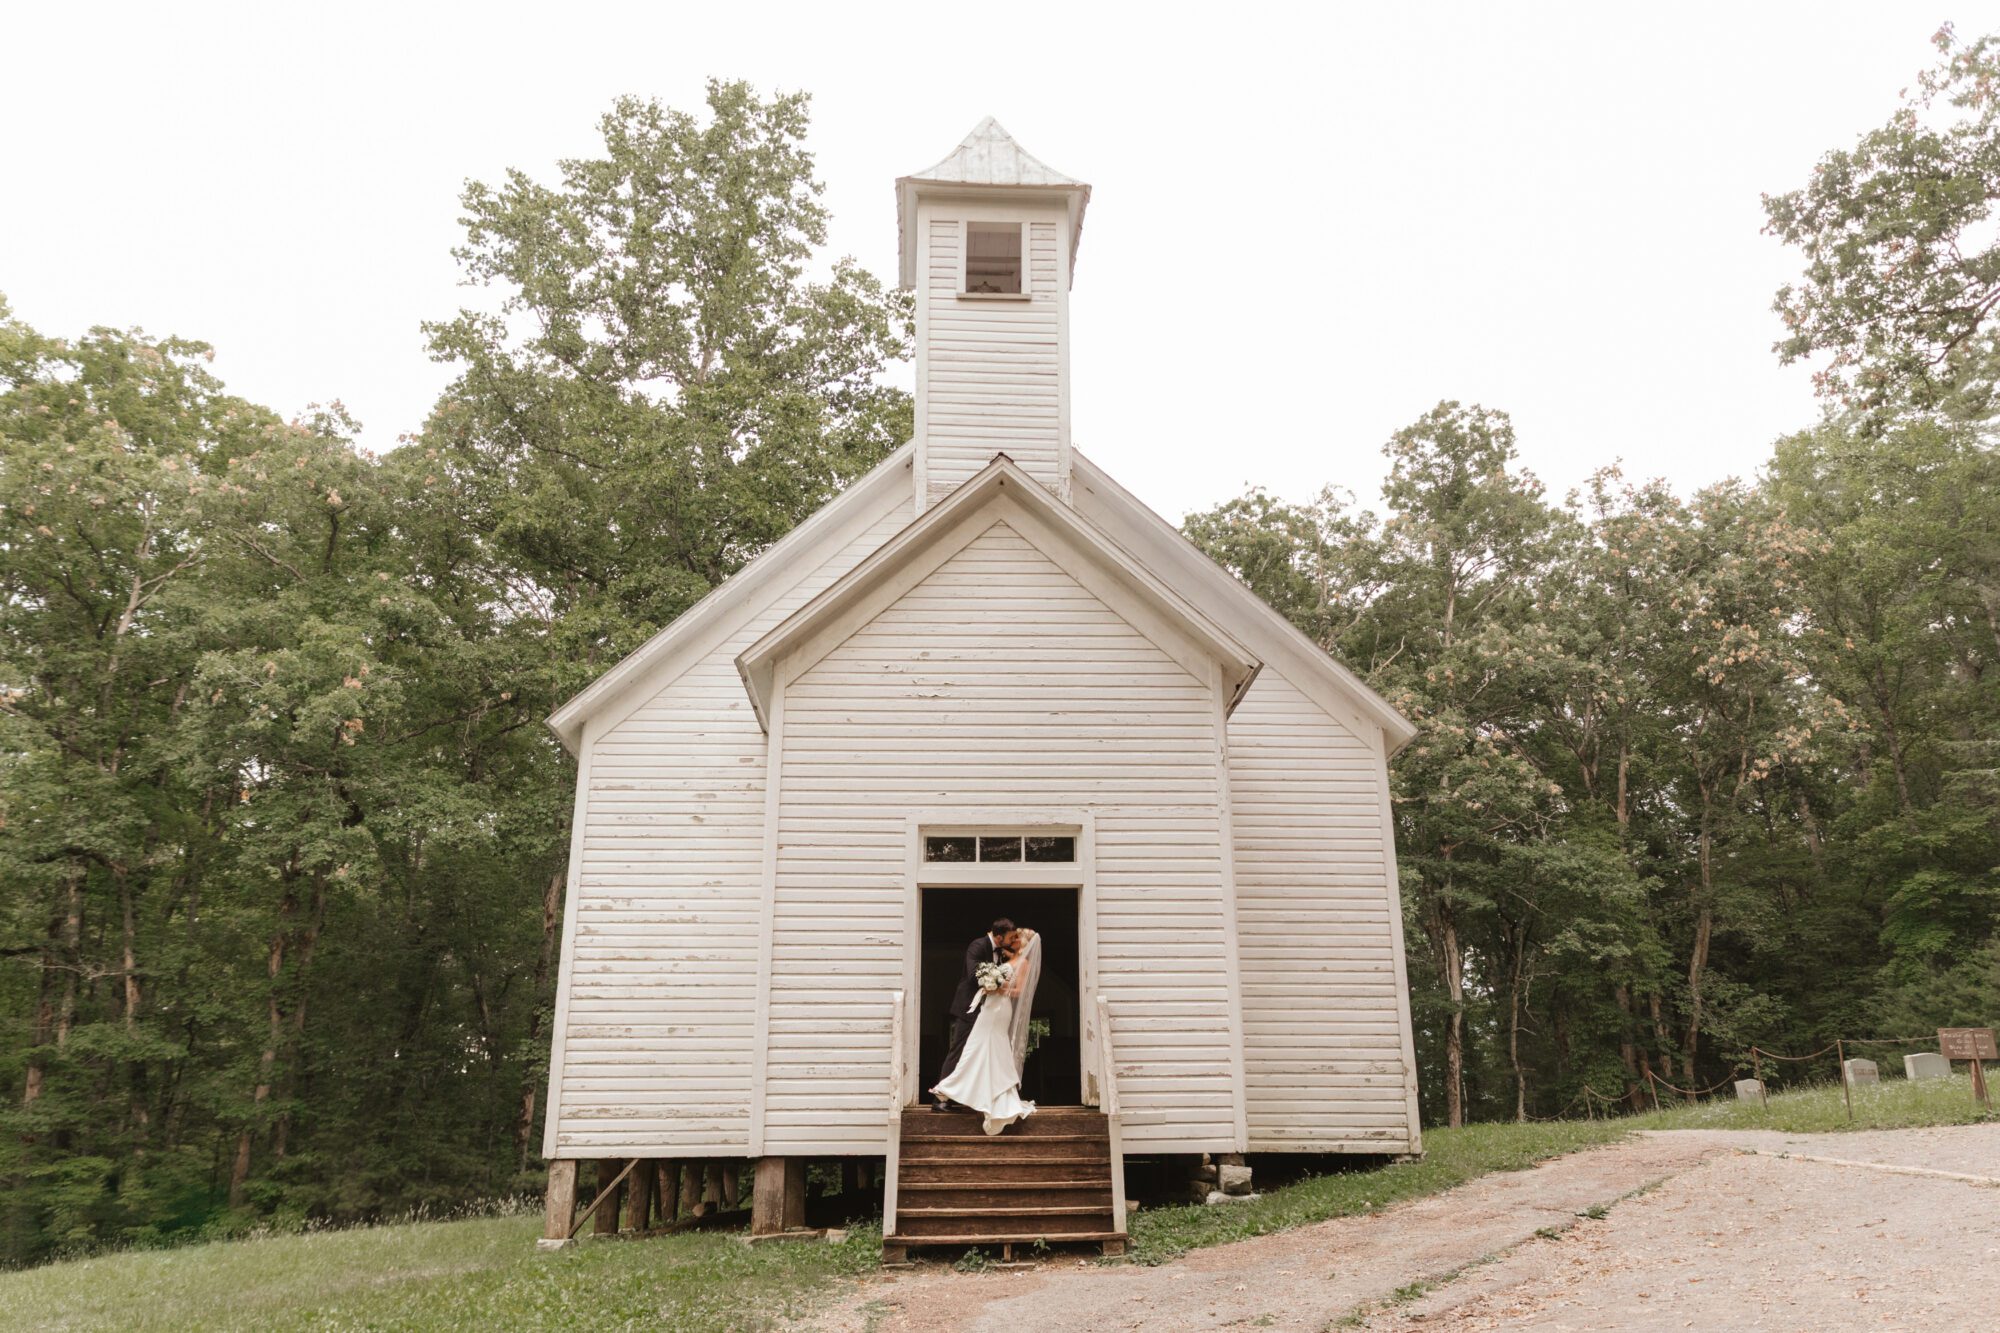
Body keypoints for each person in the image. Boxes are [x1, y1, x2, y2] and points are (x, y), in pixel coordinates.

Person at [929, 927, 1042, 1135]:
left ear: (1024, 943)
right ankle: (964, 1092)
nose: (1013, 940)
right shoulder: (1006, 958)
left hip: (998, 1009)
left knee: (979, 1047)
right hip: (990, 1007)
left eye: (1017, 938)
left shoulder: (1023, 963)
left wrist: (997, 986)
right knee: (978, 1048)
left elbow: (1019, 992)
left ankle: (950, 1091)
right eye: (1013, 936)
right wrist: (993, 981)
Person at [934, 918, 1012, 1109]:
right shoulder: (977, 946)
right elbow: (973, 975)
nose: (1011, 941)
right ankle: (940, 1098)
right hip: (970, 1007)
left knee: (979, 1053)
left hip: (989, 1011)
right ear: (999, 936)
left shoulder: (1003, 952)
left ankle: (967, 1096)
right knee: (959, 1050)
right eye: (1009, 937)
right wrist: (999, 980)